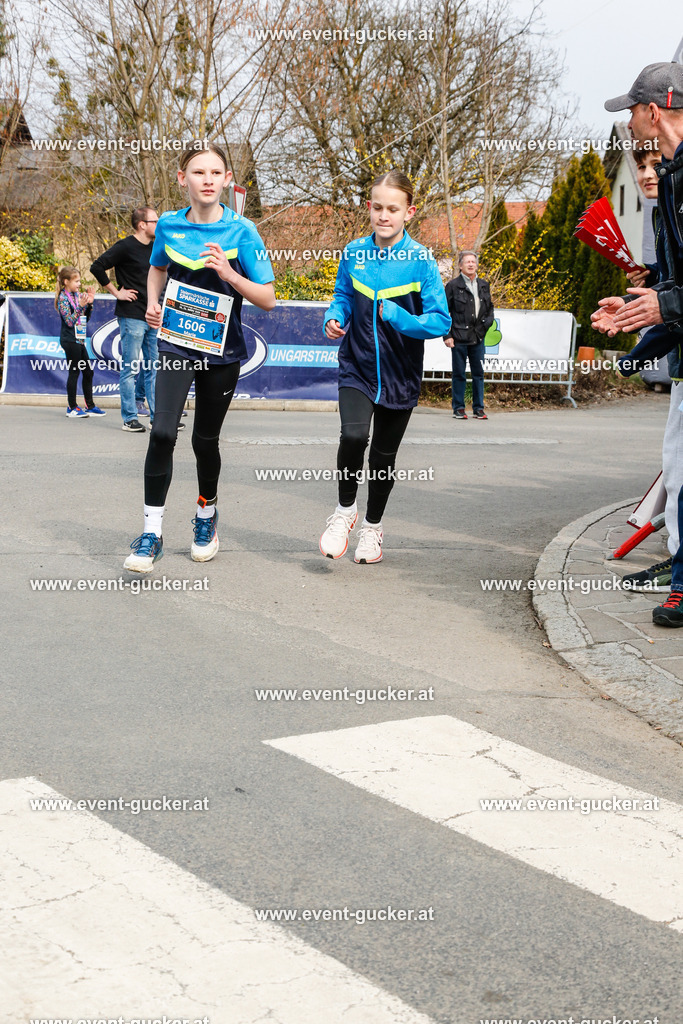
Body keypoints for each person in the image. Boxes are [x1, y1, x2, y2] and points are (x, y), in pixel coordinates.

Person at [123, 141, 276, 573]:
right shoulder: (169, 226)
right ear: (182, 179)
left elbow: (268, 298)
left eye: (214, 173)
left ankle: (206, 515)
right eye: (197, 172)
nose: (206, 180)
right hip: (175, 344)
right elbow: (157, 268)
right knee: (162, 433)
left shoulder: (243, 231)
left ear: (227, 180)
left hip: (222, 353)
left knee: (203, 441)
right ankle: (151, 533)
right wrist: (153, 302)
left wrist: (229, 274)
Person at [591, 62, 683, 624]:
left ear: (653, 110)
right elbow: (674, 285)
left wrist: (663, 305)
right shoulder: (672, 179)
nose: (627, 124)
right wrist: (636, 311)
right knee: (679, 474)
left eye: (630, 111)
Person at [321, 169, 451, 564]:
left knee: (382, 459)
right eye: (377, 207)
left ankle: (372, 527)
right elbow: (342, 295)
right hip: (357, 367)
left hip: (399, 374)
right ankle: (344, 512)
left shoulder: (421, 261)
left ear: (409, 212)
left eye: (393, 209)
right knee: (353, 436)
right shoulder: (354, 252)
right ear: (369, 207)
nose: (384, 215)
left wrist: (400, 318)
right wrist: (334, 316)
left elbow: (440, 321)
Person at [90, 206, 161, 433]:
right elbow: (97, 266)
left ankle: (158, 418)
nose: (159, 224)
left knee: (153, 368)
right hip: (132, 316)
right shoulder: (125, 246)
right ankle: (130, 418)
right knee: (130, 369)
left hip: (152, 315)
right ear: (142, 224)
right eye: (155, 221)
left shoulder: (157, 247)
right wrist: (117, 293)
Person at [443, 251, 494, 420]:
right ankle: (458, 408)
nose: (471, 264)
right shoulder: (452, 286)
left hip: (477, 337)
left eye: (473, 262)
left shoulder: (484, 285)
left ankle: (479, 408)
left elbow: (490, 309)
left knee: (478, 374)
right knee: (459, 374)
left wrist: (484, 327)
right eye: (467, 262)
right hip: (458, 337)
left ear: (477, 265)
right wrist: (447, 335)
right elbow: (444, 312)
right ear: (460, 265)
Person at [55, 266, 105, 419]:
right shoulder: (63, 298)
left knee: (88, 372)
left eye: (79, 281)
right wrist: (80, 307)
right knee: (74, 372)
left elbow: (84, 319)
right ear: (66, 282)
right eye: (76, 281)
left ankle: (90, 406)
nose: (79, 284)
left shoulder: (77, 296)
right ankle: (72, 407)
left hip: (79, 339)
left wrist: (89, 304)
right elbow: (70, 321)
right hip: (69, 340)